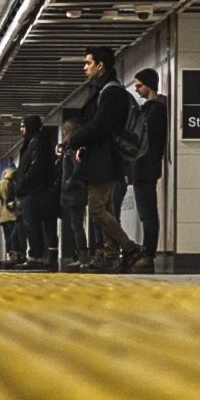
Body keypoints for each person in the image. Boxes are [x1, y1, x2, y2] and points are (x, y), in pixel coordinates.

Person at [56, 45, 136, 271]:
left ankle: (130, 248)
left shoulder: (111, 92)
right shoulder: (102, 90)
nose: (85, 67)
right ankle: (110, 255)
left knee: (97, 209)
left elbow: (99, 125)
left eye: (88, 63)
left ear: (100, 66)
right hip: (98, 155)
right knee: (106, 208)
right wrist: (82, 144)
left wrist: (74, 140)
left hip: (105, 158)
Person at [0, 123, 64, 268]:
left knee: (32, 225)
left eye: (23, 126)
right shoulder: (39, 142)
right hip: (41, 192)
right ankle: (45, 258)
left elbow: (34, 168)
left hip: (33, 192)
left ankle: (36, 257)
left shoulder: (36, 143)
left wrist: (23, 185)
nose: (21, 129)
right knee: (45, 226)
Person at [123, 63, 169, 264]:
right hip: (146, 168)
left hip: (145, 168)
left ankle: (149, 252)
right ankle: (147, 249)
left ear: (149, 86)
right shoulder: (154, 109)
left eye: (139, 85)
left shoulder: (154, 111)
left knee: (147, 212)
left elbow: (145, 143)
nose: (136, 89)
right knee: (147, 211)